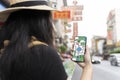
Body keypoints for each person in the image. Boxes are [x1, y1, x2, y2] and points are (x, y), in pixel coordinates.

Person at [0, 0, 92, 80]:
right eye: (49, 19)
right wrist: (88, 67)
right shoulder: (44, 53)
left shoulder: (5, 52)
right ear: (42, 22)